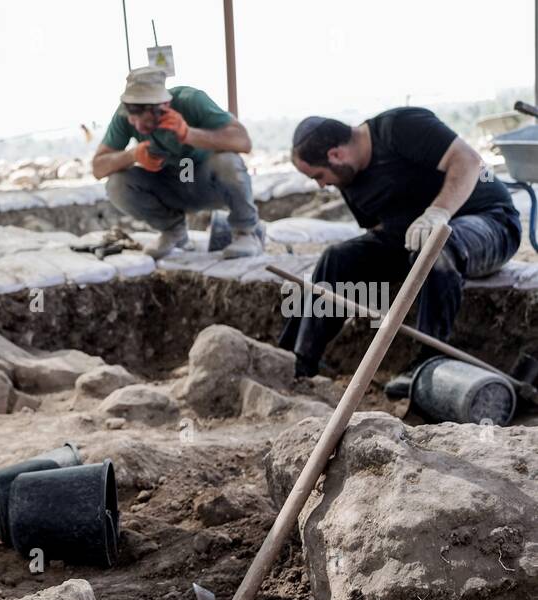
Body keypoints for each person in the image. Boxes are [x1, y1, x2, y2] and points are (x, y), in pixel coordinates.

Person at [286, 109, 521, 386]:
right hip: (414, 241)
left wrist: (438, 213)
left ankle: (427, 369)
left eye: (319, 176)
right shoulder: (349, 179)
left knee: (437, 247)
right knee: (337, 258)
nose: (322, 185)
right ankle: (296, 361)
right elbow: (378, 235)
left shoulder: (398, 127)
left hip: (490, 222)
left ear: (336, 155)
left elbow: (469, 161)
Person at [92, 66, 264, 260]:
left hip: (204, 183)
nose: (139, 126)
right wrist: (132, 155)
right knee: (117, 183)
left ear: (164, 106)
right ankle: (173, 231)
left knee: (228, 162)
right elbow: (98, 168)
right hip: (169, 186)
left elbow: (243, 142)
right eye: (133, 119)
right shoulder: (123, 117)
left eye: (147, 122)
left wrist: (189, 134)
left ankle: (245, 233)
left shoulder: (191, 101)